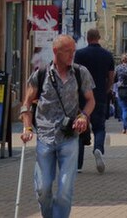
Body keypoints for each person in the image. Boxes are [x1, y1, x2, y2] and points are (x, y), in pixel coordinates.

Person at [20, 34, 95, 218]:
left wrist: (84, 116)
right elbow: (26, 104)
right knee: (43, 188)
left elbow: (91, 100)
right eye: (67, 51)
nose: (72, 55)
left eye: (73, 51)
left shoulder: (80, 72)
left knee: (65, 189)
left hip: (69, 137)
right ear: (55, 51)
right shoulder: (41, 73)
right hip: (45, 136)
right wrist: (27, 128)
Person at [74, 28, 114, 174]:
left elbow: (74, 75)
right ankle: (98, 148)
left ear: (87, 37)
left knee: (79, 128)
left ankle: (78, 165)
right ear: (99, 37)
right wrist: (106, 90)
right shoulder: (107, 55)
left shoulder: (79, 54)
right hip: (99, 96)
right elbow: (111, 77)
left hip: (81, 97)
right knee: (99, 128)